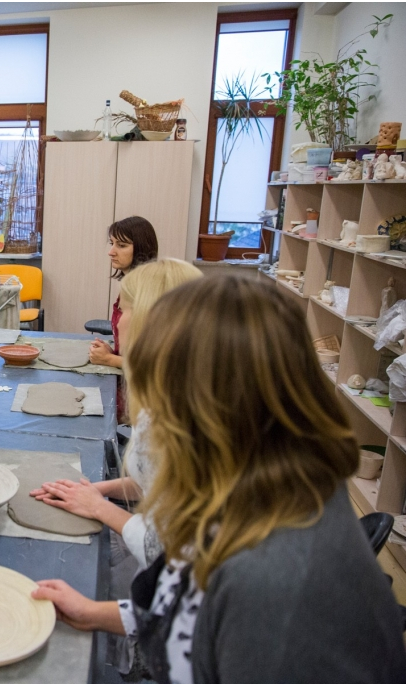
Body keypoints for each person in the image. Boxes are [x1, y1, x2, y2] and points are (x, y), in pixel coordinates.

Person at [33, 275, 406, 682]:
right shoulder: (260, 489)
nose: (150, 416)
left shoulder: (274, 588)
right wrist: (93, 614)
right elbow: (185, 603)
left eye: (161, 389)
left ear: (209, 408)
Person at [32, 258, 202, 570]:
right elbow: (156, 480)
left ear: (152, 320)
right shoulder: (167, 392)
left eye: (124, 311)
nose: (118, 323)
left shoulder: (187, 418)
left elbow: (168, 551)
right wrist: (96, 489)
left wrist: (100, 508)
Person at [88, 216, 158, 368]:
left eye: (122, 245)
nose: (111, 252)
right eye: (112, 243)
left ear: (142, 248)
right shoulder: (129, 286)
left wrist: (109, 359)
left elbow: (154, 364)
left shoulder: (147, 293)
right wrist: (113, 352)